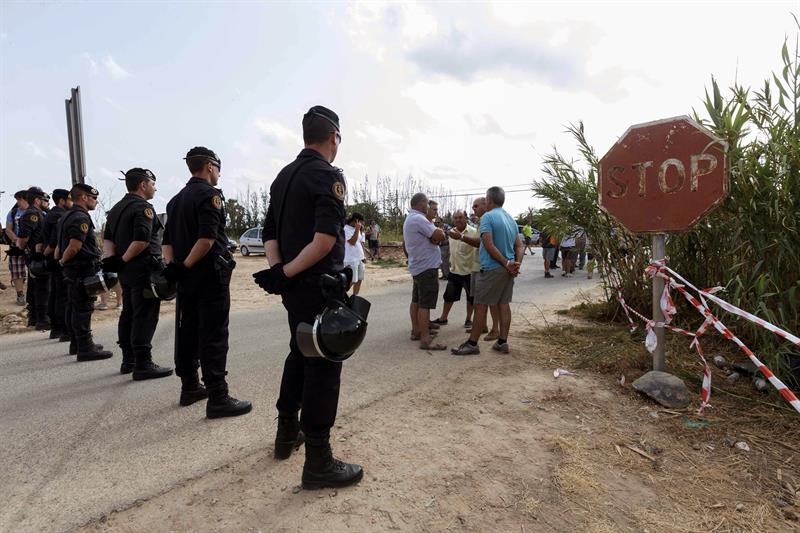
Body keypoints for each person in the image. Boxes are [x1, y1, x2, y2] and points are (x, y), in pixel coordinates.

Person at [259, 105, 363, 489]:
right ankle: (319, 461)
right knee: (323, 365)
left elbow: (270, 233)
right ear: (333, 137)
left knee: (299, 353)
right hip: (318, 286)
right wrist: (286, 273)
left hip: (293, 288)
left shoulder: (283, 176)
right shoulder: (327, 175)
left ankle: (287, 432)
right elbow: (324, 240)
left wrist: (280, 272)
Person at [162, 147, 251, 418]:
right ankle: (218, 397)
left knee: (187, 331)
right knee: (213, 334)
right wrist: (187, 265)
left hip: (185, 279)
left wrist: (175, 267)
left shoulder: (175, 201)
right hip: (209, 277)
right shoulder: (210, 195)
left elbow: (167, 242)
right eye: (218, 169)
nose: (219, 174)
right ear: (210, 166)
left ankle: (189, 387)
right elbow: (207, 238)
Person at [103, 168, 174, 380]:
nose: (155, 188)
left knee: (129, 313)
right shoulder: (143, 208)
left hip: (126, 272)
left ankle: (129, 360)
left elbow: (108, 239)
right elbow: (142, 240)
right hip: (144, 271)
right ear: (143, 185)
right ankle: (143, 364)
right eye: (152, 184)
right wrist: (124, 259)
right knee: (145, 316)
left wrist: (113, 261)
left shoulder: (116, 209)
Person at [452, 187, 523, 356]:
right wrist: (516, 264)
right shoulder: (510, 219)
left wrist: (507, 263)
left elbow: (488, 245)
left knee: (480, 306)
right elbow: (519, 246)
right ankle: (502, 342)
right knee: (503, 305)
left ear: (489, 200)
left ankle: (472, 344)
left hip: (491, 268)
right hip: (506, 270)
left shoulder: (487, 217)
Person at [57, 184, 113, 361]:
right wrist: (63, 260)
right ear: (84, 197)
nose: (96, 201)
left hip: (73, 269)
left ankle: (77, 343)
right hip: (81, 268)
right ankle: (85, 348)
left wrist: (62, 260)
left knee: (74, 306)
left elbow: (59, 246)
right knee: (83, 308)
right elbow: (74, 246)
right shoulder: (80, 217)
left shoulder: (66, 216)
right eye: (93, 198)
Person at [403, 192, 446, 350]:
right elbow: (439, 235)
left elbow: (433, 237)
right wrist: (438, 233)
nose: (429, 207)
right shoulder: (419, 219)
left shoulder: (411, 218)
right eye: (427, 204)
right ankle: (425, 339)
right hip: (426, 268)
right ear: (422, 204)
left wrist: (433, 236)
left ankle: (417, 330)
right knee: (425, 304)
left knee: (417, 300)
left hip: (418, 267)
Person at [457, 197, 500, 339]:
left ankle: (495, 329)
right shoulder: (481, 222)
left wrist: (461, 238)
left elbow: (481, 243)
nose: (473, 209)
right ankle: (482, 326)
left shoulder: (487, 221)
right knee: (478, 301)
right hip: (476, 266)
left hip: (485, 266)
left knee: (491, 301)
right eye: (473, 206)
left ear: (485, 205)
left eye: (476, 206)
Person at [433, 209, 478, 328]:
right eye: (456, 218)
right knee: (448, 296)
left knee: (471, 298)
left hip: (469, 271)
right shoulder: (451, 232)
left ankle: (468, 319)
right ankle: (443, 318)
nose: (458, 220)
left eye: (460, 217)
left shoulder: (473, 232)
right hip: (454, 271)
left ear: (466, 218)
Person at [17, 187, 51, 330]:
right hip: (36, 257)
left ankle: (34, 318)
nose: (47, 203)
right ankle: (41, 319)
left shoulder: (38, 213)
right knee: (42, 288)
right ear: (37, 200)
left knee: (35, 286)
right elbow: (23, 239)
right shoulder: (32, 214)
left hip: (38, 256)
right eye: (45, 200)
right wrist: (27, 249)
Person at [43, 188, 72, 340]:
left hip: (53, 259)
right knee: (63, 295)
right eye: (70, 199)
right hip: (59, 259)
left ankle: (56, 328)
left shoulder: (50, 214)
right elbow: (55, 241)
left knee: (55, 293)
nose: (72, 203)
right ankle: (63, 329)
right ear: (62, 201)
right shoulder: (60, 216)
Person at [5, 190, 29, 306]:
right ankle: (20, 294)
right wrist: (17, 240)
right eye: (17, 200)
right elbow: (8, 229)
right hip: (16, 245)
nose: (18, 202)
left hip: (32, 245)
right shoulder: (13, 213)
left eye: (20, 199)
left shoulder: (37, 212)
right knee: (16, 270)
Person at [343, 212, 367, 295]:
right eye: (361, 222)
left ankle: (354, 298)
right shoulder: (346, 229)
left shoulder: (358, 229)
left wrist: (364, 256)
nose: (362, 224)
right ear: (356, 220)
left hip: (360, 258)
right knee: (353, 280)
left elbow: (360, 243)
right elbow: (352, 242)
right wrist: (357, 230)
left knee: (359, 279)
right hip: (351, 259)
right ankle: (340, 295)